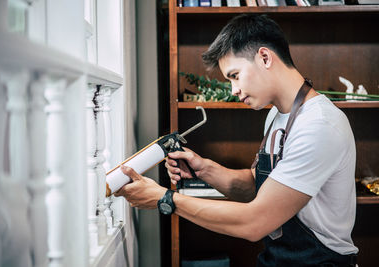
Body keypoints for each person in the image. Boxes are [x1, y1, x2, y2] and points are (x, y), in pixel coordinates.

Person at [115, 14, 358, 266]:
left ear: (264, 58)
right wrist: (205, 169)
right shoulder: (277, 114)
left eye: (235, 75)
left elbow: (256, 221)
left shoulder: (318, 124)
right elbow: (259, 187)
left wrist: (165, 199)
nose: (233, 90)